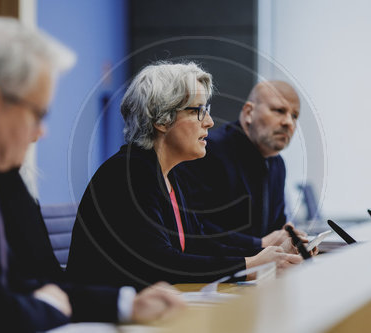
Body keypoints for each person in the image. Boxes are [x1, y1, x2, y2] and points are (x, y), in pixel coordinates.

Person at [0, 18, 183, 333]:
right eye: (39, 114)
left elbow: (44, 283)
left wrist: (126, 304)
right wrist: (45, 307)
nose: (41, 133)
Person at [66, 62, 303, 291]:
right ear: (161, 119)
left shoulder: (170, 174)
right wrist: (250, 266)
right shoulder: (127, 174)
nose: (209, 122)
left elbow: (198, 242)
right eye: (198, 111)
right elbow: (162, 263)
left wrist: (266, 252)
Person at [177, 81, 310, 250]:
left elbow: (276, 226)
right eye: (279, 111)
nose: (288, 123)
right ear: (248, 112)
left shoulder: (277, 163)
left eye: (294, 116)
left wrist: (291, 240)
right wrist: (260, 245)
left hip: (262, 270)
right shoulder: (207, 152)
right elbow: (196, 229)